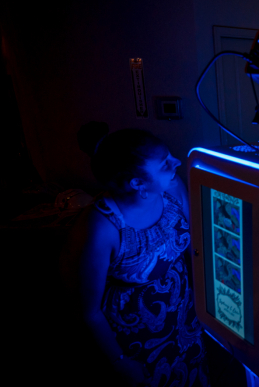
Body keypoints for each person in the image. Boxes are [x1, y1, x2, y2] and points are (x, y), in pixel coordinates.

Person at [74, 127, 209, 387]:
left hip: (184, 320)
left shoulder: (172, 187)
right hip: (134, 339)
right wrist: (120, 362)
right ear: (137, 183)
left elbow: (197, 245)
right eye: (164, 164)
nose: (177, 162)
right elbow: (89, 312)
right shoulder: (102, 227)